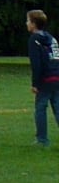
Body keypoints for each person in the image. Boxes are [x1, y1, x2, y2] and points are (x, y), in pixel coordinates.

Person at [26, 10, 59, 145]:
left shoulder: (34, 40)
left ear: (34, 24)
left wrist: (35, 83)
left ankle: (42, 139)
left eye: (28, 21)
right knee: (58, 108)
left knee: (40, 108)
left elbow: (36, 63)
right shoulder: (52, 38)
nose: (26, 23)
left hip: (45, 80)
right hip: (57, 78)